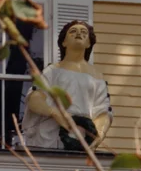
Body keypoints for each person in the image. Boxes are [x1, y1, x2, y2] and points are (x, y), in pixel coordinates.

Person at [22, 19, 112, 150]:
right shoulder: (52, 71)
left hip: (81, 137)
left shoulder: (97, 76)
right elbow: (35, 97)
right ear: (64, 42)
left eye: (84, 32)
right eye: (73, 31)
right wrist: (55, 113)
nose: (78, 34)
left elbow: (103, 110)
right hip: (52, 138)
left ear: (89, 43)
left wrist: (98, 134)